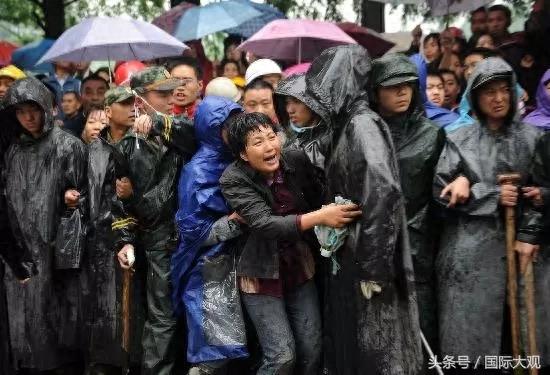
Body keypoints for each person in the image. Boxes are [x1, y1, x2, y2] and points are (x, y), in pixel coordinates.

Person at [305, 45, 422, 375]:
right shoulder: (348, 124)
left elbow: (382, 192)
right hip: (353, 250)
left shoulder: (362, 125)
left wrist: (374, 268)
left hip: (366, 256)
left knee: (377, 347)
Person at [220, 112, 361, 375]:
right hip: (260, 272)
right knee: (282, 356)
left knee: (312, 348)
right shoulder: (233, 179)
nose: (269, 147)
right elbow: (265, 224)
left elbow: (320, 195)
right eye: (258, 142)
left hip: (299, 265)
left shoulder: (295, 159)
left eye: (271, 137)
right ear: (243, 154)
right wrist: (320, 217)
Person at [433, 57, 547, 368]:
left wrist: (530, 232)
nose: (497, 99)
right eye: (488, 92)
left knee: (523, 339)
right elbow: (441, 193)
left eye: (503, 90)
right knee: (475, 350)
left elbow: (542, 191)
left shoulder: (534, 138)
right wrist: (489, 193)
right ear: (475, 96)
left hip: (524, 253)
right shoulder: (459, 139)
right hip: (470, 255)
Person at [0, 77, 88, 373]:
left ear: (47, 108)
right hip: (19, 251)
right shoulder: (13, 151)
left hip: (54, 250)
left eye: (33, 109)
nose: (28, 117)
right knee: (21, 322)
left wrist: (71, 202)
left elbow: (88, 200)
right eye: (20, 111)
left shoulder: (68, 147)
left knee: (53, 325)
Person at [114, 66, 196, 375]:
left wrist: (161, 123)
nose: (171, 97)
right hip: (157, 241)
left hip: (195, 237)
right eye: (161, 94)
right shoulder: (125, 147)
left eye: (172, 90)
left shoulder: (181, 129)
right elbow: (118, 205)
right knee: (161, 316)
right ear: (139, 100)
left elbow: (194, 137)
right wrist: (124, 241)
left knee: (195, 311)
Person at [369, 52, 446, 352]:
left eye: (407, 85)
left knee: (422, 326)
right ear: (376, 92)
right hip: (377, 246)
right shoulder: (366, 134)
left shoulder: (432, 134)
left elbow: (438, 195)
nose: (401, 91)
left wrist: (414, 237)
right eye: (392, 86)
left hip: (421, 246)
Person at [171, 96, 247, 375]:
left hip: (235, 263)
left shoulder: (240, 160)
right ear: (213, 129)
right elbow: (192, 233)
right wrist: (234, 223)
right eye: (229, 127)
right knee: (214, 353)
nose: (236, 132)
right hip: (208, 269)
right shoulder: (197, 171)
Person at [84, 87, 142, 375]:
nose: (132, 108)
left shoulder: (142, 143)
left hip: (137, 235)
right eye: (124, 104)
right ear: (108, 111)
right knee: (104, 307)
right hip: (100, 241)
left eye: (134, 103)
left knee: (134, 308)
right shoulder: (93, 149)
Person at [274, 73, 332, 171]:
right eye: (287, 103)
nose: (289, 110)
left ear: (312, 102)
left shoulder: (332, 139)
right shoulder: (281, 138)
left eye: (297, 101)